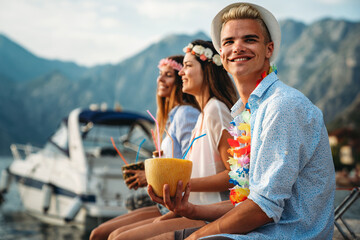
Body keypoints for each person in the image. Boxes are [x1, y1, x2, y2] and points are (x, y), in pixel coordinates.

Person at [147, 3, 336, 240]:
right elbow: (247, 202)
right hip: (257, 229)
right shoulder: (245, 113)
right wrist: (191, 210)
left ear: (269, 49)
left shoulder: (282, 105)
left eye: (249, 39)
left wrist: (196, 237)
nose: (237, 47)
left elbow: (262, 208)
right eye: (228, 42)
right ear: (222, 57)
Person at [107, 39, 238, 240]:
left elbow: (234, 176)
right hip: (193, 208)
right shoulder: (203, 114)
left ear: (207, 70)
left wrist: (185, 186)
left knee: (119, 238)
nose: (181, 73)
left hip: (210, 214)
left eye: (187, 66)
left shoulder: (216, 110)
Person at [89, 55, 200, 240]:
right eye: (160, 74)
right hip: (166, 203)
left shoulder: (186, 114)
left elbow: (191, 164)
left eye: (168, 75)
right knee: (98, 233)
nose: (160, 80)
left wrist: (149, 176)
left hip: (177, 204)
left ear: (182, 79)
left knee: (106, 235)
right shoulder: (174, 116)